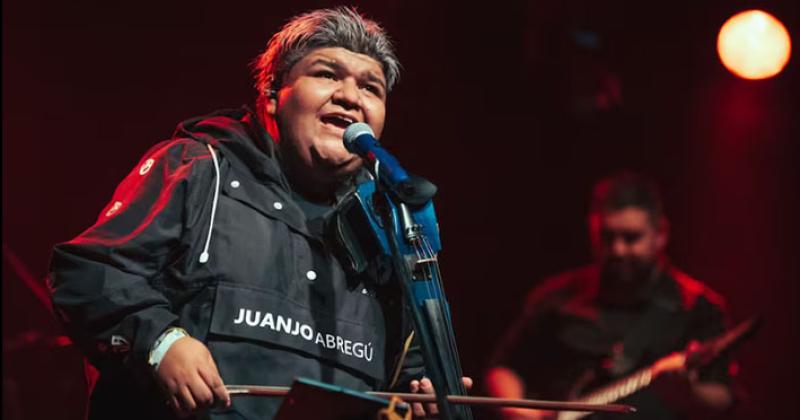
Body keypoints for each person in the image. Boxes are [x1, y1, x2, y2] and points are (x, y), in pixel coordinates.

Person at [49, 7, 465, 420]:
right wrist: (161, 343)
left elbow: (404, 378)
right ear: (271, 94)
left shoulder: (391, 229)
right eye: (326, 74)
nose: (351, 97)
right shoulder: (199, 167)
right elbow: (86, 273)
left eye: (371, 88)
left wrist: (416, 401)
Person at [484, 172, 735, 419]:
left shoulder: (697, 307)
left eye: (631, 238)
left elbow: (723, 398)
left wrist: (685, 391)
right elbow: (505, 367)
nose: (618, 250)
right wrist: (517, 412)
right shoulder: (556, 296)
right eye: (607, 237)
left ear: (661, 234)